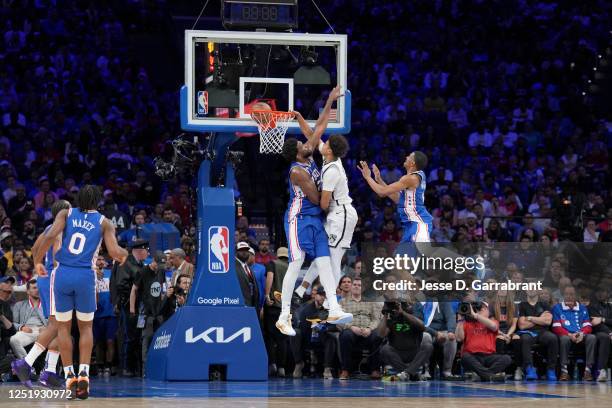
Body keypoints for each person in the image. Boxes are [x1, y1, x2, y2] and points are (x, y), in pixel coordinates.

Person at [31, 185, 128, 399]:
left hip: (63, 274)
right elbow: (113, 252)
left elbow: (49, 236)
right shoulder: (105, 222)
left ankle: (69, 378)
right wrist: (124, 254)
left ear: (77, 199)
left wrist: (38, 261)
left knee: (63, 328)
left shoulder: (66, 213)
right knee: (85, 328)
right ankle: (84, 372)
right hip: (85, 276)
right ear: (98, 202)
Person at [276, 86, 352, 336]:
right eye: (302, 143)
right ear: (298, 153)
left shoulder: (307, 156)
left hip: (315, 218)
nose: (306, 143)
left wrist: (329, 100)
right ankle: (284, 315)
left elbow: (318, 128)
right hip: (299, 219)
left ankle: (334, 307)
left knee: (324, 262)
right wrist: (335, 194)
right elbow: (318, 198)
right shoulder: (298, 172)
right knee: (296, 263)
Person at [12, 199, 71, 389]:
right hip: (55, 278)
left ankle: (50, 371)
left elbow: (36, 249)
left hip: (47, 279)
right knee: (57, 325)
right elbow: (56, 253)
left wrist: (40, 266)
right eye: (70, 209)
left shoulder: (48, 228)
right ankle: (27, 364)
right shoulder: (60, 229)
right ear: (65, 212)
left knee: (62, 327)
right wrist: (53, 266)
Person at [294, 129, 357, 296]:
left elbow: (323, 204)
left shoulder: (332, 171)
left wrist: (311, 195)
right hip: (334, 214)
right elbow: (311, 134)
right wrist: (299, 117)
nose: (323, 144)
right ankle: (301, 290)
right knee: (323, 254)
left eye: (326, 143)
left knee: (334, 259)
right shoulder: (327, 157)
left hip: (342, 215)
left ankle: (331, 301)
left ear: (329, 150)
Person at [357, 151, 433, 242]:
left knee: (424, 252)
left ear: (412, 163)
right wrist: (379, 180)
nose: (406, 157)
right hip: (413, 222)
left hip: (418, 221)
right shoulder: (415, 176)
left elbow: (381, 192)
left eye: (409, 156)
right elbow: (397, 198)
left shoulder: (410, 179)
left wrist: (367, 177)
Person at [130, 247, 165, 375]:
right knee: (146, 338)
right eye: (158, 264)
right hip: (145, 311)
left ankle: (157, 367)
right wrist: (132, 309)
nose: (159, 267)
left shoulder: (161, 271)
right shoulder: (143, 271)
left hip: (158, 311)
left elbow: (161, 288)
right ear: (153, 261)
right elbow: (133, 290)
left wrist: (162, 303)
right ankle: (145, 369)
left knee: (159, 339)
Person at [338, 278, 382, 380]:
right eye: (355, 284)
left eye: (359, 285)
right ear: (351, 287)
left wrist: (370, 329)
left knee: (377, 335)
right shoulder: (342, 302)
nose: (357, 286)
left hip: (367, 331)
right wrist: (352, 327)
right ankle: (345, 370)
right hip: (351, 330)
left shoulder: (371, 302)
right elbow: (340, 320)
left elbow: (376, 319)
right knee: (345, 335)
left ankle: (374, 370)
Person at [456, 301, 511, 382]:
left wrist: (476, 316)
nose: (487, 311)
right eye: (485, 309)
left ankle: (482, 375)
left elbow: (494, 327)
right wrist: (460, 321)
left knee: (507, 358)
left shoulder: (492, 321)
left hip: (489, 357)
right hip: (473, 357)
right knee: (465, 357)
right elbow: (459, 338)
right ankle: (490, 376)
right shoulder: (466, 323)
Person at [379, 298, 430, 381]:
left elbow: (422, 327)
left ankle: (407, 373)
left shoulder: (415, 309)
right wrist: (386, 314)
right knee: (385, 349)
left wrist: (403, 313)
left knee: (428, 346)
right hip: (397, 352)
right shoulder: (391, 316)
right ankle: (410, 373)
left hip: (413, 352)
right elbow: (381, 334)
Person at [552, 285, 596, 381]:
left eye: (571, 294)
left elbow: (588, 325)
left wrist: (582, 334)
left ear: (576, 295)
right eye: (566, 294)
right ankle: (564, 372)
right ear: (563, 295)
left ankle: (588, 371)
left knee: (592, 338)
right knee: (564, 339)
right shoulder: (557, 308)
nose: (569, 296)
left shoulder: (582, 308)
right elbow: (556, 327)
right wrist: (569, 334)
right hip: (566, 335)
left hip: (581, 334)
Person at [516, 281, 558, 381]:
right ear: (526, 290)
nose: (531, 289)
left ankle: (551, 369)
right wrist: (539, 319)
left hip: (543, 332)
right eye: (529, 287)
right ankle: (529, 369)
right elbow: (522, 325)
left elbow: (547, 321)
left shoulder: (544, 304)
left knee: (553, 338)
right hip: (528, 332)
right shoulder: (522, 305)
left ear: (538, 290)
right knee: (525, 339)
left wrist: (530, 318)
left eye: (533, 287)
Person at [263, 247, 289, 377]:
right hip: (286, 308)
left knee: (270, 337)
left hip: (273, 306)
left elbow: (270, 277)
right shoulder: (291, 267)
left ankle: (272, 364)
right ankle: (282, 368)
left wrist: (267, 295)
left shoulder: (272, 264)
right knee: (282, 339)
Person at [94, 256, 116, 377]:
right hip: (96, 314)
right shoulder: (91, 275)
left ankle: (109, 365)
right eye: (99, 259)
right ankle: (99, 365)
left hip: (110, 313)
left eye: (103, 259)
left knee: (110, 341)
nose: (101, 261)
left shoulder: (111, 273)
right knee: (98, 342)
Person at [588, 287, 612, 382]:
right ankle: (601, 370)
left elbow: (600, 321)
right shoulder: (591, 306)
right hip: (597, 332)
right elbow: (596, 324)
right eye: (598, 291)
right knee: (604, 337)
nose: (600, 294)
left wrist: (603, 319)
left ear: (607, 293)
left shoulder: (610, 307)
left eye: (603, 291)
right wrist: (610, 333)